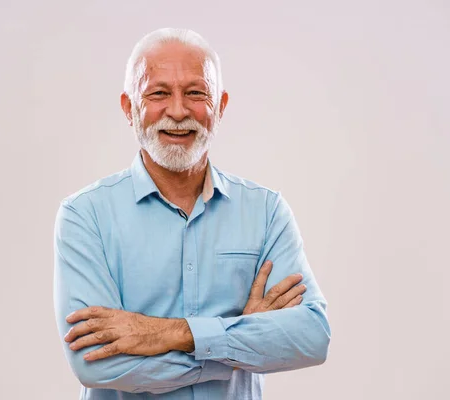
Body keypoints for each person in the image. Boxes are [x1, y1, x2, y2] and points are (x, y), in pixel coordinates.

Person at [53, 27, 330, 400]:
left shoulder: (266, 212)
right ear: (129, 108)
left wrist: (168, 333)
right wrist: (237, 347)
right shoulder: (85, 216)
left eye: (196, 93)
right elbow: (96, 364)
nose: (179, 111)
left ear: (221, 106)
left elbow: (311, 337)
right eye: (158, 93)